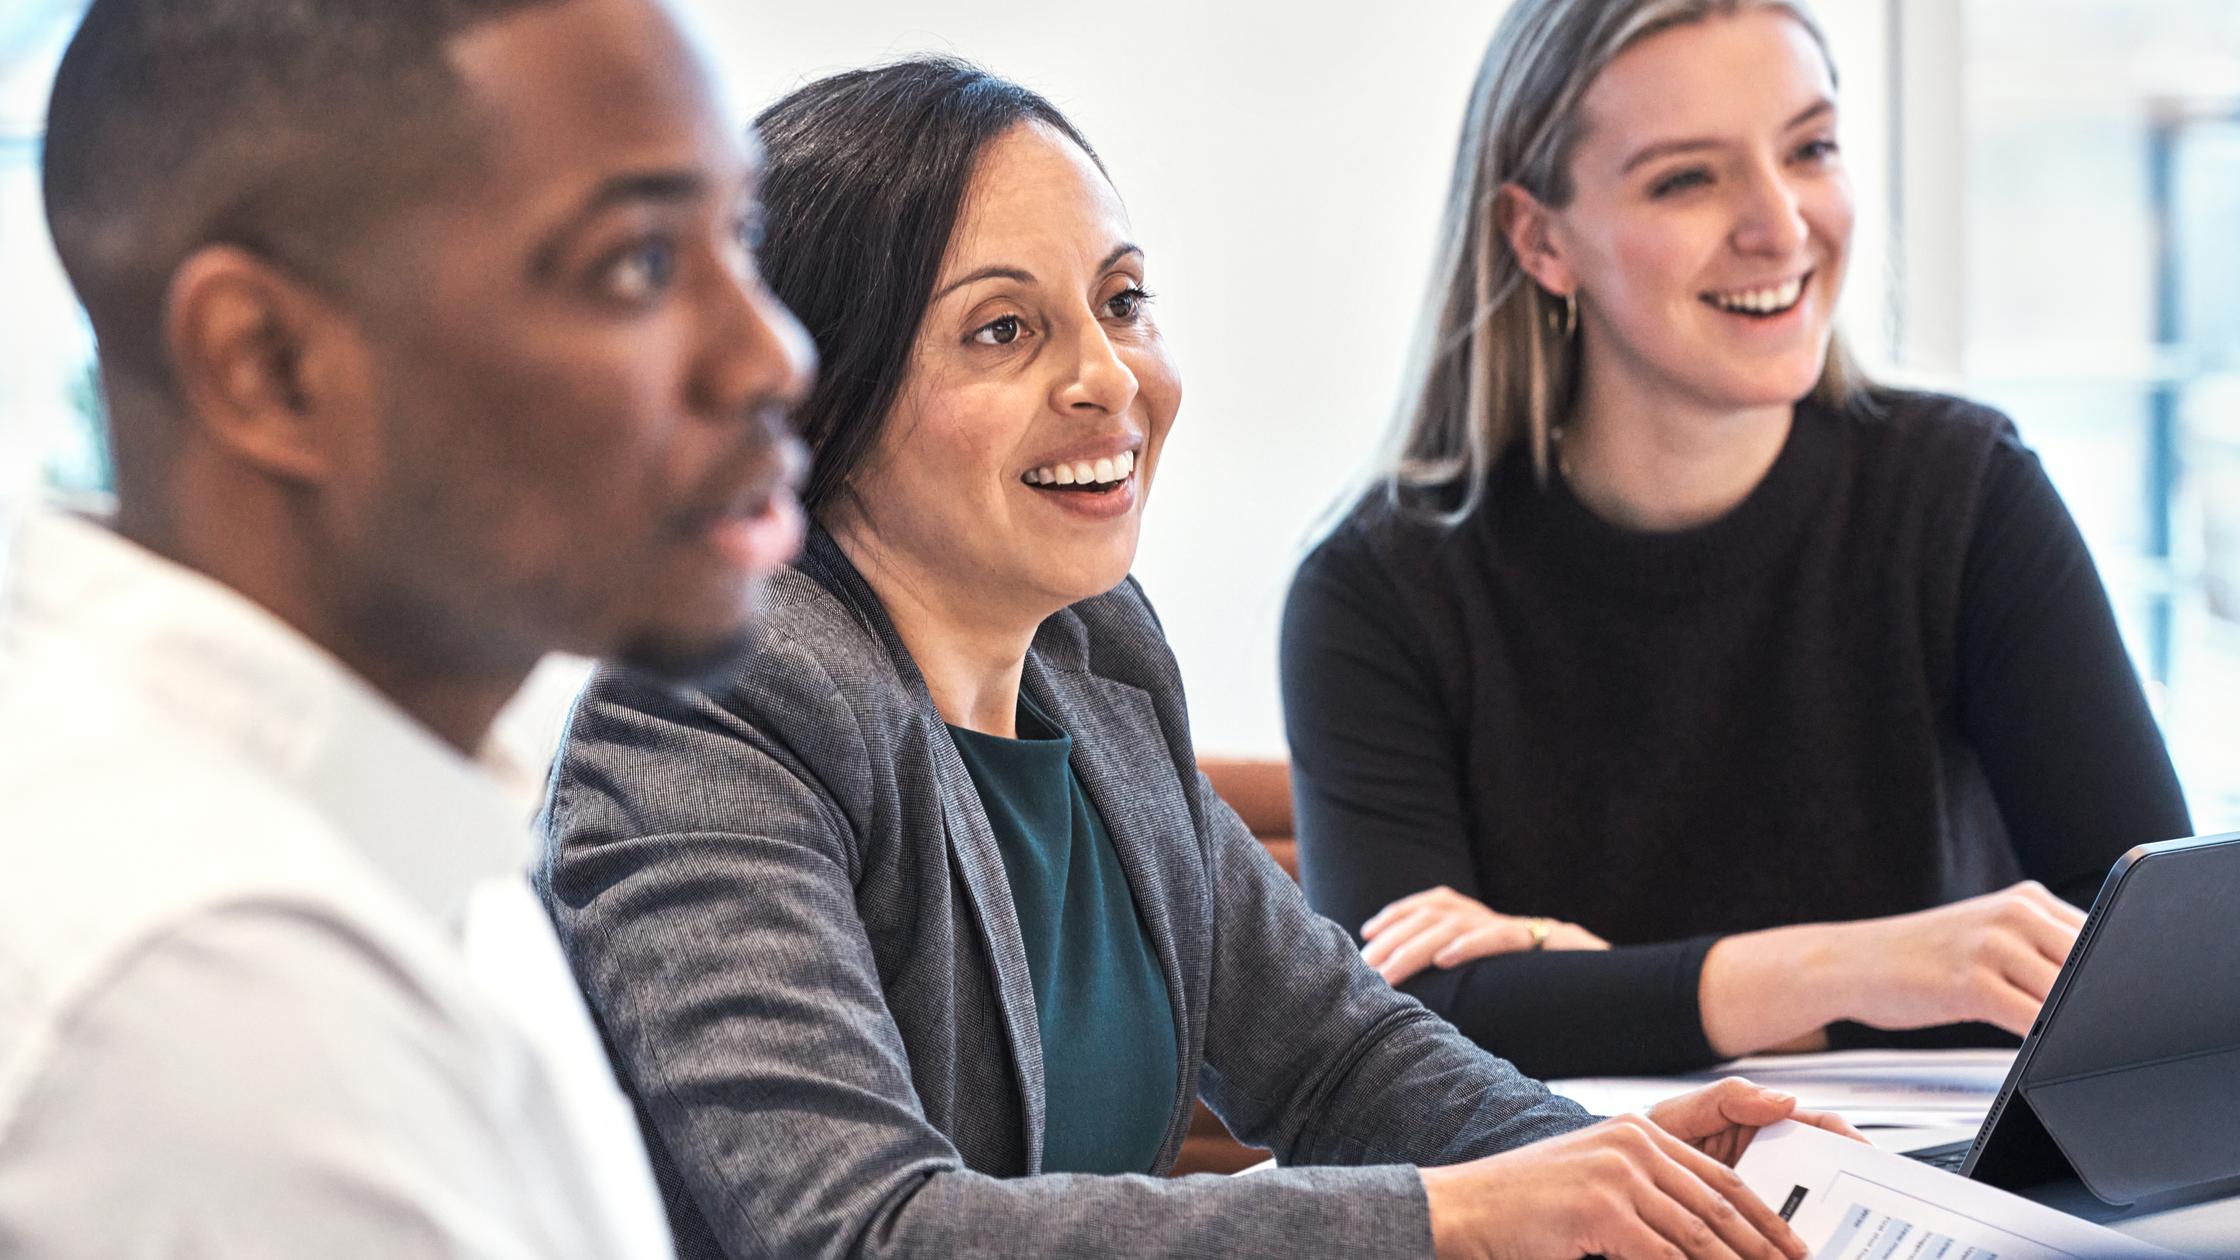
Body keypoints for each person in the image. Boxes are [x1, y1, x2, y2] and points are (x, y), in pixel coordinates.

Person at [540, 56, 1856, 1260]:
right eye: (1003, 331)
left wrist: (1605, 1164)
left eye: (1121, 301)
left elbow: (1332, 1056)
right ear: (823, 395)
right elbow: (866, 1232)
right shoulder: (701, 718)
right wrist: (1453, 1214)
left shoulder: (1091, 657)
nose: (1109, 378)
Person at [0, 0, 811, 1253]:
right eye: (638, 263)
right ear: (270, 364)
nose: (771, 355)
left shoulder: (390, 817)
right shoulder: (213, 986)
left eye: (739, 234)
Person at [1280, 0, 2194, 1081]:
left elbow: (2154, 964)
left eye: (1808, 148)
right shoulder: (1379, 588)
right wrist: (1857, 970)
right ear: (1538, 237)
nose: (1779, 224)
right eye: (1686, 178)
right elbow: (1398, 1035)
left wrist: (1610, 985)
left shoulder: (1964, 493)